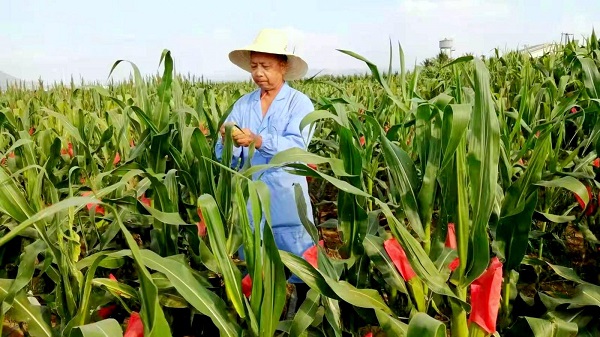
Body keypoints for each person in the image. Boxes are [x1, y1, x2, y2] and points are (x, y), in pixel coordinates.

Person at [214, 28, 315, 305]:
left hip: (286, 197)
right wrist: (227, 139)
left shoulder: (299, 103)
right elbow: (223, 153)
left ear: (283, 66)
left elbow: (297, 147)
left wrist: (259, 141)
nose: (259, 73)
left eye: (266, 66)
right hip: (251, 200)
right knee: (255, 264)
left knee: (299, 265)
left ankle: (303, 321)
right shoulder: (243, 104)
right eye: (254, 66)